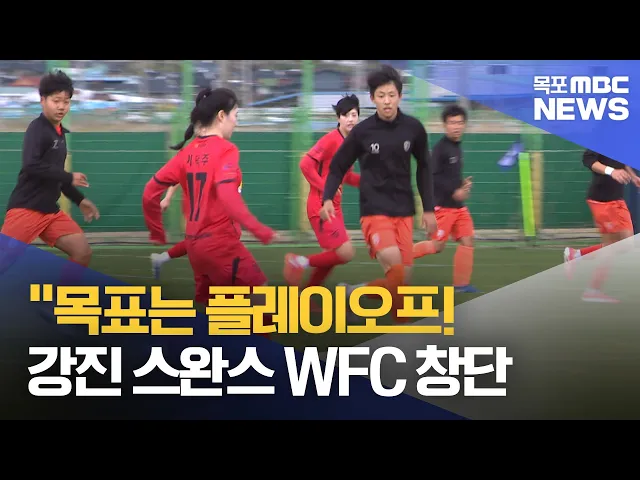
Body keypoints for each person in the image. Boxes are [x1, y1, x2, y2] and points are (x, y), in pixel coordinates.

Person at [142, 87, 277, 334]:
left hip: (196, 248)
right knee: (262, 301)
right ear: (222, 116)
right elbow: (227, 194)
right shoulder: (226, 150)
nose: (237, 122)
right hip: (220, 244)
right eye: (236, 115)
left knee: (224, 319)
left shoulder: (186, 154)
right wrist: (258, 229)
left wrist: (156, 232)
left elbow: (149, 192)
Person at [320, 64, 437, 322]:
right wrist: (327, 197)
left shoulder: (414, 128)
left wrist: (429, 209)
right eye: (381, 95)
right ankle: (391, 316)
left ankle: (353, 294)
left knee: (401, 285)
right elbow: (338, 166)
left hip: (404, 211)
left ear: (400, 96)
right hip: (374, 210)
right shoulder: (362, 132)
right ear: (372, 98)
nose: (387, 101)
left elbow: (424, 167)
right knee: (396, 269)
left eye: (391, 95)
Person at [1, 70, 100, 274]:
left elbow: (57, 176)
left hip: (49, 212)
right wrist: (69, 176)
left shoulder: (60, 134)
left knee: (82, 252)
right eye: (56, 101)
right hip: (26, 209)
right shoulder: (37, 129)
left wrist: (80, 200)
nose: (61, 106)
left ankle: (60, 293)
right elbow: (31, 165)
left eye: (66, 101)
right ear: (42, 100)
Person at [283, 94, 361, 293]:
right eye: (345, 115)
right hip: (320, 206)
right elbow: (305, 164)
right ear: (338, 118)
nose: (350, 119)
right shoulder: (331, 139)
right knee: (346, 252)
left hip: (334, 207)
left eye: (353, 115)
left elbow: (347, 176)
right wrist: (326, 189)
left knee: (332, 256)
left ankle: (307, 294)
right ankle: (297, 261)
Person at [412, 104, 480, 294]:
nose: (456, 127)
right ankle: (402, 255)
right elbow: (431, 177)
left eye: (459, 123)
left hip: (459, 208)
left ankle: (461, 285)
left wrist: (462, 185)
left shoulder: (457, 148)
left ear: (464, 125)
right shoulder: (441, 149)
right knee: (437, 246)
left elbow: (449, 175)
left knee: (467, 240)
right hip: (443, 207)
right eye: (452, 123)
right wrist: (454, 191)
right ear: (445, 125)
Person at [563, 149, 638, 302]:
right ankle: (592, 288)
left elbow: (620, 159)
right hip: (603, 201)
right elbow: (588, 160)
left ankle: (577, 256)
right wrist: (611, 171)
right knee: (619, 245)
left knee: (620, 245)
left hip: (616, 199)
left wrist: (632, 176)